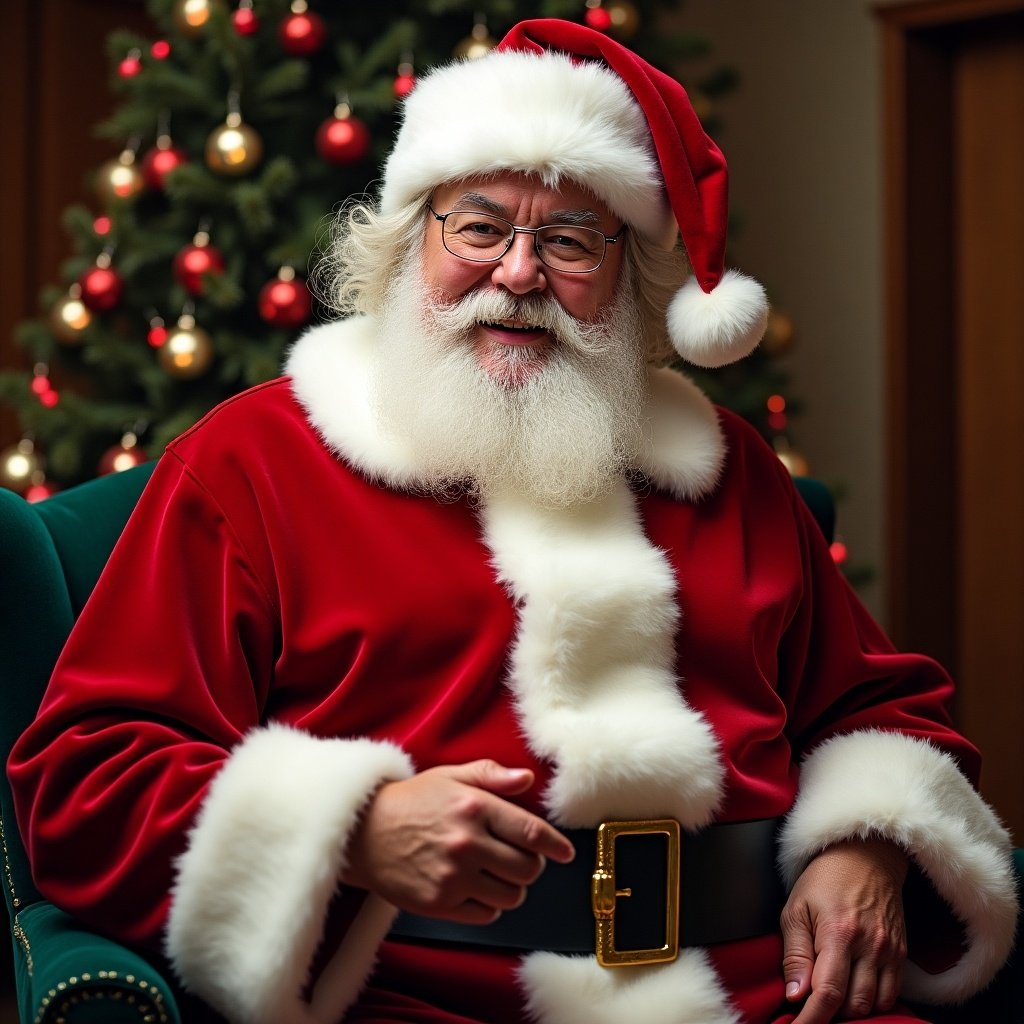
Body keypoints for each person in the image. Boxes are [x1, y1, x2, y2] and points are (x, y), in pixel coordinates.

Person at [7, 17, 1016, 1024]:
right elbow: (89, 775)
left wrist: (867, 841)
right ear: (410, 243)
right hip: (417, 997)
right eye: (480, 227)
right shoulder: (253, 463)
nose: (520, 274)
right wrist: (353, 827)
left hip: (761, 991)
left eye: (572, 240)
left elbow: (884, 713)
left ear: (630, 278)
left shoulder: (727, 468)